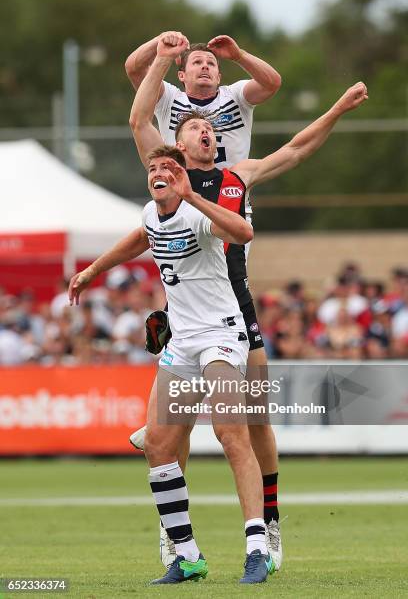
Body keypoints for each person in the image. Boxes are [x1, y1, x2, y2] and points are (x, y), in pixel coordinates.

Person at [127, 34, 368, 569]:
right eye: (197, 127)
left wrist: (337, 108)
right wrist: (163, 56)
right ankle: (177, 539)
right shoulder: (166, 169)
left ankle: (269, 527)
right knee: (175, 432)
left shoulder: (237, 176)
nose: (207, 131)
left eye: (212, 128)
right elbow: (139, 115)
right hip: (188, 307)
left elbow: (297, 148)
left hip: (236, 306)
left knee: (251, 419)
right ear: (180, 136)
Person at [71, 147, 275, 584]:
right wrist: (90, 271)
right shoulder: (150, 213)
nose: (159, 172)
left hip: (221, 335)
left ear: (181, 177)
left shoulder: (198, 213)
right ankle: (186, 557)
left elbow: (243, 232)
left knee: (230, 432)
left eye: (169, 168)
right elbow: (138, 239)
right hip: (182, 344)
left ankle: (257, 548)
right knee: (159, 446)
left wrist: (193, 196)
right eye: (153, 168)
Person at [125, 31, 282, 169]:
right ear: (181, 75)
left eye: (211, 63)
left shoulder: (235, 96)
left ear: (219, 77)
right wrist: (161, 39)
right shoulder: (168, 99)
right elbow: (134, 68)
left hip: (231, 199)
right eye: (197, 62)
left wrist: (239, 56)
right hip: (183, 198)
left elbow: (271, 83)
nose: (205, 66)